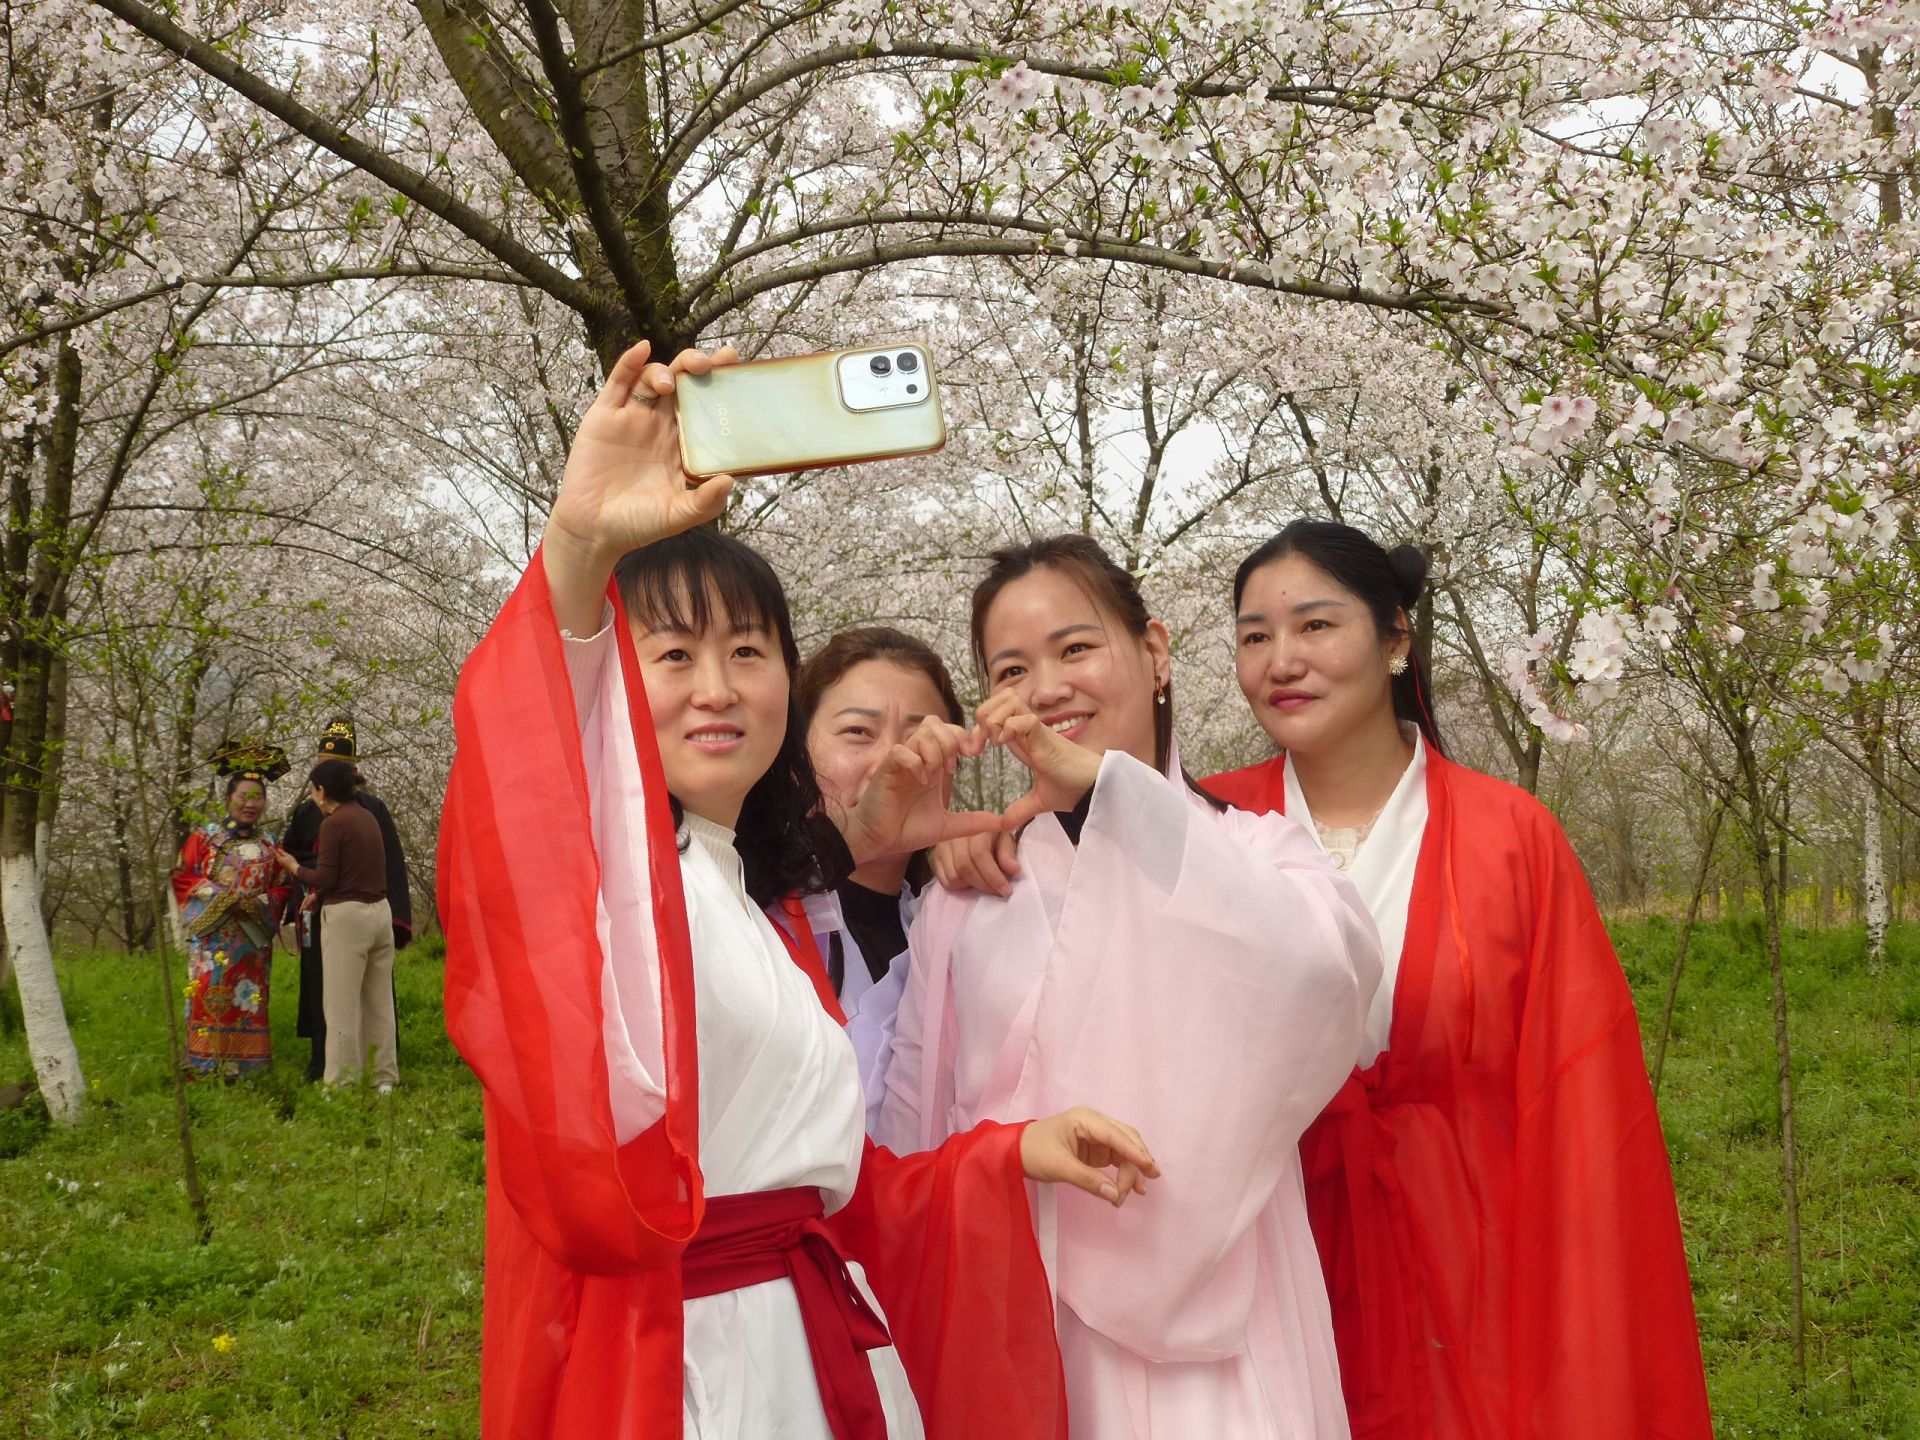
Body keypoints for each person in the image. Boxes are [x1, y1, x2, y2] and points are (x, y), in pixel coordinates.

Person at [437, 341, 1161, 1440]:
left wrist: (1010, 1151)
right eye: (672, 656)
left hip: (812, 1344)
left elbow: (834, 1188)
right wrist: (579, 548)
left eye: (748, 650)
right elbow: (524, 776)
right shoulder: (599, 883)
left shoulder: (757, 903)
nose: (718, 689)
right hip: (684, 1367)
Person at [1202, 519, 1713, 1439]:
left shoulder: (1511, 838)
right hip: (1265, 1292)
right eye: (1255, 636)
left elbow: (1582, 1107)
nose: (1282, 661)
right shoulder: (1203, 825)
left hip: (1474, 1282)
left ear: (1396, 638)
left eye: (1316, 625)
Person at [874, 533, 1383, 1439]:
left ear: (1154, 653)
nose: (1047, 688)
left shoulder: (1256, 851)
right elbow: (912, 1129)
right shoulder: (971, 893)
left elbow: (1326, 979)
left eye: (1075, 648)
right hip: (1024, 1312)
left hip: (1226, 1329)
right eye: (1011, 669)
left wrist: (1117, 797)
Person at [791, 626, 965, 1123]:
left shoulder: (963, 925)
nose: (895, 761)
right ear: (795, 756)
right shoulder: (746, 909)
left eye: (921, 739)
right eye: (858, 733)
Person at [280, 718, 413, 1083]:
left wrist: (297, 869)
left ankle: (341, 1080)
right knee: (363, 996)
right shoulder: (347, 814)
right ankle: (376, 1074)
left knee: (341, 1001)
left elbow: (383, 865)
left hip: (345, 915)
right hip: (349, 911)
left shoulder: (351, 815)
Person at [172, 743, 292, 1079]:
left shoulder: (271, 844)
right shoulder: (204, 839)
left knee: (249, 1000)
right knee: (208, 994)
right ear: (227, 799)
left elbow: (282, 886)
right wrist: (224, 899)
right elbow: (183, 876)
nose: (250, 804)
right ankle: (203, 1064)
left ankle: (249, 1066)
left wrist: (256, 904)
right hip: (212, 941)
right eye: (243, 796)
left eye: (257, 797)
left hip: (252, 943)